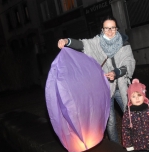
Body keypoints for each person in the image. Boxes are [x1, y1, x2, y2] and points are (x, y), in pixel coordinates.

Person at [57, 15, 136, 144]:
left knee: (131, 116)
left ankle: (136, 144)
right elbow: (83, 44)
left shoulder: (124, 44)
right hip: (105, 88)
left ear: (117, 29)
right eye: (107, 28)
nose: (110, 32)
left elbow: (129, 62)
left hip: (122, 86)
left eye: (113, 28)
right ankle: (116, 149)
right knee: (110, 123)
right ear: (102, 29)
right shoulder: (96, 43)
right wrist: (66, 41)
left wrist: (116, 72)